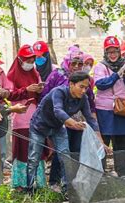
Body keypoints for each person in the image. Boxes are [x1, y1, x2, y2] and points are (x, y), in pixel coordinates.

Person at [26, 71, 108, 193]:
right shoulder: (58, 92)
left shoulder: (83, 99)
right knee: (34, 158)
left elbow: (91, 120)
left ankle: (66, 189)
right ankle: (29, 189)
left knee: (65, 156)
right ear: (71, 84)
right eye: (81, 87)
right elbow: (58, 110)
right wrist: (72, 123)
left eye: (86, 88)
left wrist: (101, 142)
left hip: (58, 127)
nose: (84, 90)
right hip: (40, 126)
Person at [41, 50, 96, 189]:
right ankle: (54, 181)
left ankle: (71, 182)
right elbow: (45, 95)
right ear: (67, 62)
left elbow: (89, 100)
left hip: (78, 122)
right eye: (74, 63)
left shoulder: (84, 79)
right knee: (61, 151)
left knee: (75, 151)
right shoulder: (57, 75)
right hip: (59, 121)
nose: (77, 66)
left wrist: (92, 119)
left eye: (80, 63)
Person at [0, 45, 47, 190]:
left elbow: (39, 92)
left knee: (37, 148)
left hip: (35, 116)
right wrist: (26, 90)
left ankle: (38, 182)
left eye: (32, 60)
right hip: (20, 116)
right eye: (27, 60)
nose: (30, 63)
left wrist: (38, 89)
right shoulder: (11, 75)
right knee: (23, 149)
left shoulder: (35, 73)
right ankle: (22, 183)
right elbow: (9, 95)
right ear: (19, 60)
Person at [94, 36, 125, 176]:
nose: (112, 55)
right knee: (104, 142)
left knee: (121, 143)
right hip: (104, 110)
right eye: (109, 52)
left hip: (121, 109)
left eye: (115, 51)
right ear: (105, 53)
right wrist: (116, 75)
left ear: (119, 52)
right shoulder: (100, 66)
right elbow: (101, 84)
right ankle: (100, 173)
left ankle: (123, 173)